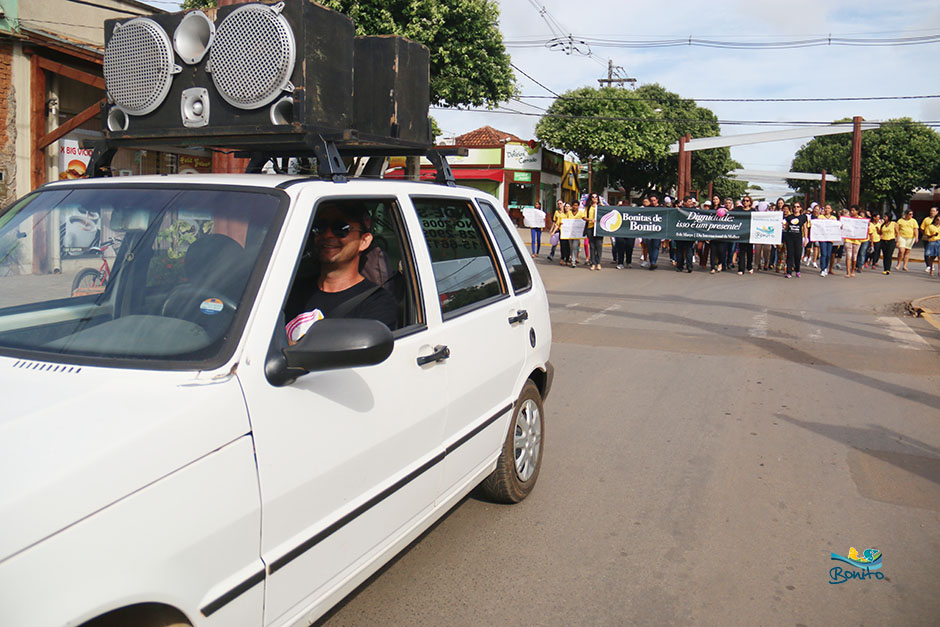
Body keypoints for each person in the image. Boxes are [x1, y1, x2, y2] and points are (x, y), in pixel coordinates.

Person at [286, 202, 398, 342]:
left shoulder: (378, 303)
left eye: (341, 228)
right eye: (320, 227)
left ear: (364, 241)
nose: (327, 235)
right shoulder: (291, 290)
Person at [782, 202, 807, 278]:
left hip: (798, 238)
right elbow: (786, 227)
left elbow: (805, 228)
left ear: (800, 208)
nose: (796, 208)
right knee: (790, 254)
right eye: (795, 206)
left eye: (798, 206)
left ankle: (797, 270)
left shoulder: (803, 217)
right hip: (790, 237)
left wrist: (806, 238)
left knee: (798, 254)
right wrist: (784, 225)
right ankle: (789, 272)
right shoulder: (789, 217)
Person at [814, 204, 837, 277]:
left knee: (828, 254)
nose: (827, 210)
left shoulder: (834, 218)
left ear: (831, 210)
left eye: (828, 208)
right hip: (822, 238)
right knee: (823, 253)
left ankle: (826, 267)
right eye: (826, 208)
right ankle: (822, 269)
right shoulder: (820, 217)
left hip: (830, 238)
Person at [675, 196, 695, 273]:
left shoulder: (694, 210)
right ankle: (680, 266)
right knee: (679, 250)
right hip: (680, 232)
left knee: (689, 250)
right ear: (685, 202)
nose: (691, 203)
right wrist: (676, 210)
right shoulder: (679, 209)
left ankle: (689, 266)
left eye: (691, 201)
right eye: (689, 202)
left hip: (690, 233)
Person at [585, 193, 604, 270]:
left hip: (599, 228)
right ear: (590, 198)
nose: (594, 198)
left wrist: (602, 205)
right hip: (590, 228)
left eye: (596, 197)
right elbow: (584, 217)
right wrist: (591, 219)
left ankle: (598, 263)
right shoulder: (588, 207)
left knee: (599, 245)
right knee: (592, 246)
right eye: (593, 197)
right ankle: (593, 263)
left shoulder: (601, 207)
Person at [737, 195, 755, 274]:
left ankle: (749, 266)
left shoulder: (753, 211)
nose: (745, 202)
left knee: (749, 252)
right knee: (741, 251)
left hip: (750, 233)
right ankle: (741, 268)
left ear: (750, 202)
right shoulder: (739, 210)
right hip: (742, 233)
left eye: (747, 200)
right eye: (744, 200)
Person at [920, 207, 938, 272]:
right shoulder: (926, 219)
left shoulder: (938, 219)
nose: (932, 212)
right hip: (927, 238)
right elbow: (922, 228)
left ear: (937, 212)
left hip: (936, 238)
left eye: (933, 211)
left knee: (936, 252)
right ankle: (928, 265)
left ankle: (931, 263)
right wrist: (925, 234)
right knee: (927, 252)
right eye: (931, 211)